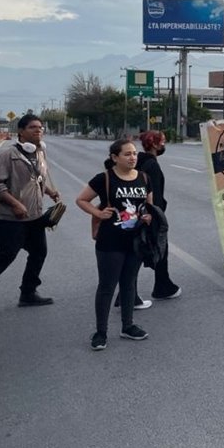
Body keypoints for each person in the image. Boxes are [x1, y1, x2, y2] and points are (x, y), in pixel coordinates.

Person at [75, 139, 153, 351]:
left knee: (129, 283)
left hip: (136, 241)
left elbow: (148, 207)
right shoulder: (105, 178)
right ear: (114, 158)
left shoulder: (144, 178)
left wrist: (147, 217)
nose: (133, 157)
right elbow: (81, 200)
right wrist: (98, 213)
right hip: (110, 241)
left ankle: (127, 326)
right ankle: (101, 332)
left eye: (135, 153)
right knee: (107, 286)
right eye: (127, 154)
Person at [0, 114, 61, 308]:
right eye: (33, 127)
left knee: (39, 252)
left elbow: (36, 178)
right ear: (21, 131)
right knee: (5, 257)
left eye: (41, 127)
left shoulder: (39, 153)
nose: (38, 130)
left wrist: (50, 191)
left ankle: (28, 293)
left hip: (34, 217)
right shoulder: (7, 155)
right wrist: (15, 204)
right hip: (11, 219)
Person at [135, 131, 181, 301]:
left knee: (141, 252)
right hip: (149, 215)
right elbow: (153, 194)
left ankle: (162, 285)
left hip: (138, 213)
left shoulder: (141, 161)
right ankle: (161, 287)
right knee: (155, 251)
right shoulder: (151, 165)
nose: (164, 145)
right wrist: (157, 215)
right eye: (162, 142)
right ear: (154, 144)